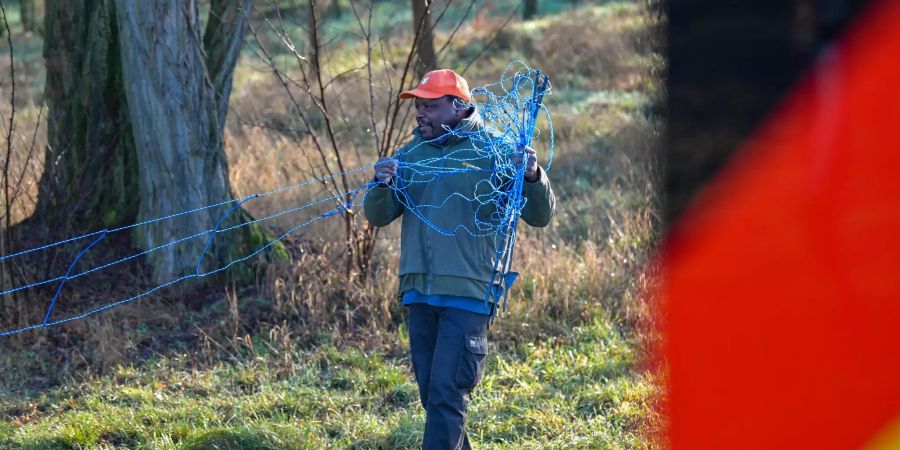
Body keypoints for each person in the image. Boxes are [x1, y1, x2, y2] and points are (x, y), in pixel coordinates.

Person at [364, 69, 555, 449]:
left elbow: (540, 216)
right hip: (418, 292)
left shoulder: (498, 151)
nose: (421, 113)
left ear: (458, 106)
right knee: (435, 400)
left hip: (470, 293)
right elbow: (378, 216)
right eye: (418, 105)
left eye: (430, 106)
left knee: (446, 397)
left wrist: (533, 176)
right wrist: (381, 184)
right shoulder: (410, 154)